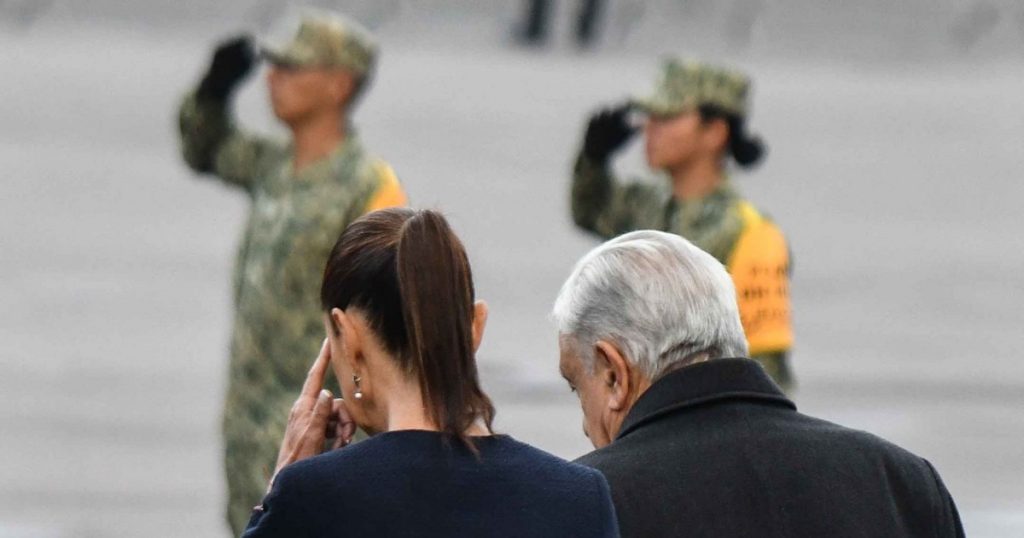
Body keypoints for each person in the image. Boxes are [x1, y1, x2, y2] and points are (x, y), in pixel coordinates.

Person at [551, 230, 964, 538]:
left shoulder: (580, 507)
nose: (585, 426)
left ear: (614, 373)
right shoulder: (900, 483)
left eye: (576, 386)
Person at [242, 208, 619, 537]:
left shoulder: (311, 499)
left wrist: (279, 491)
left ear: (349, 337)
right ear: (475, 327)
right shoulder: (578, 498)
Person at [176, 12, 407, 533]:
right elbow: (203, 148)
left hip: (318, 426)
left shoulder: (369, 186)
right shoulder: (275, 166)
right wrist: (212, 91)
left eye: (291, 68)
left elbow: (387, 319)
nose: (272, 79)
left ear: (338, 84)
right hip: (251, 421)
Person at [570, 57, 794, 390]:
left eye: (666, 117)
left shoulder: (750, 233)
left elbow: (767, 373)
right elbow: (590, 211)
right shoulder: (650, 207)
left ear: (715, 132)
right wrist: (593, 158)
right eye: (649, 117)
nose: (649, 129)